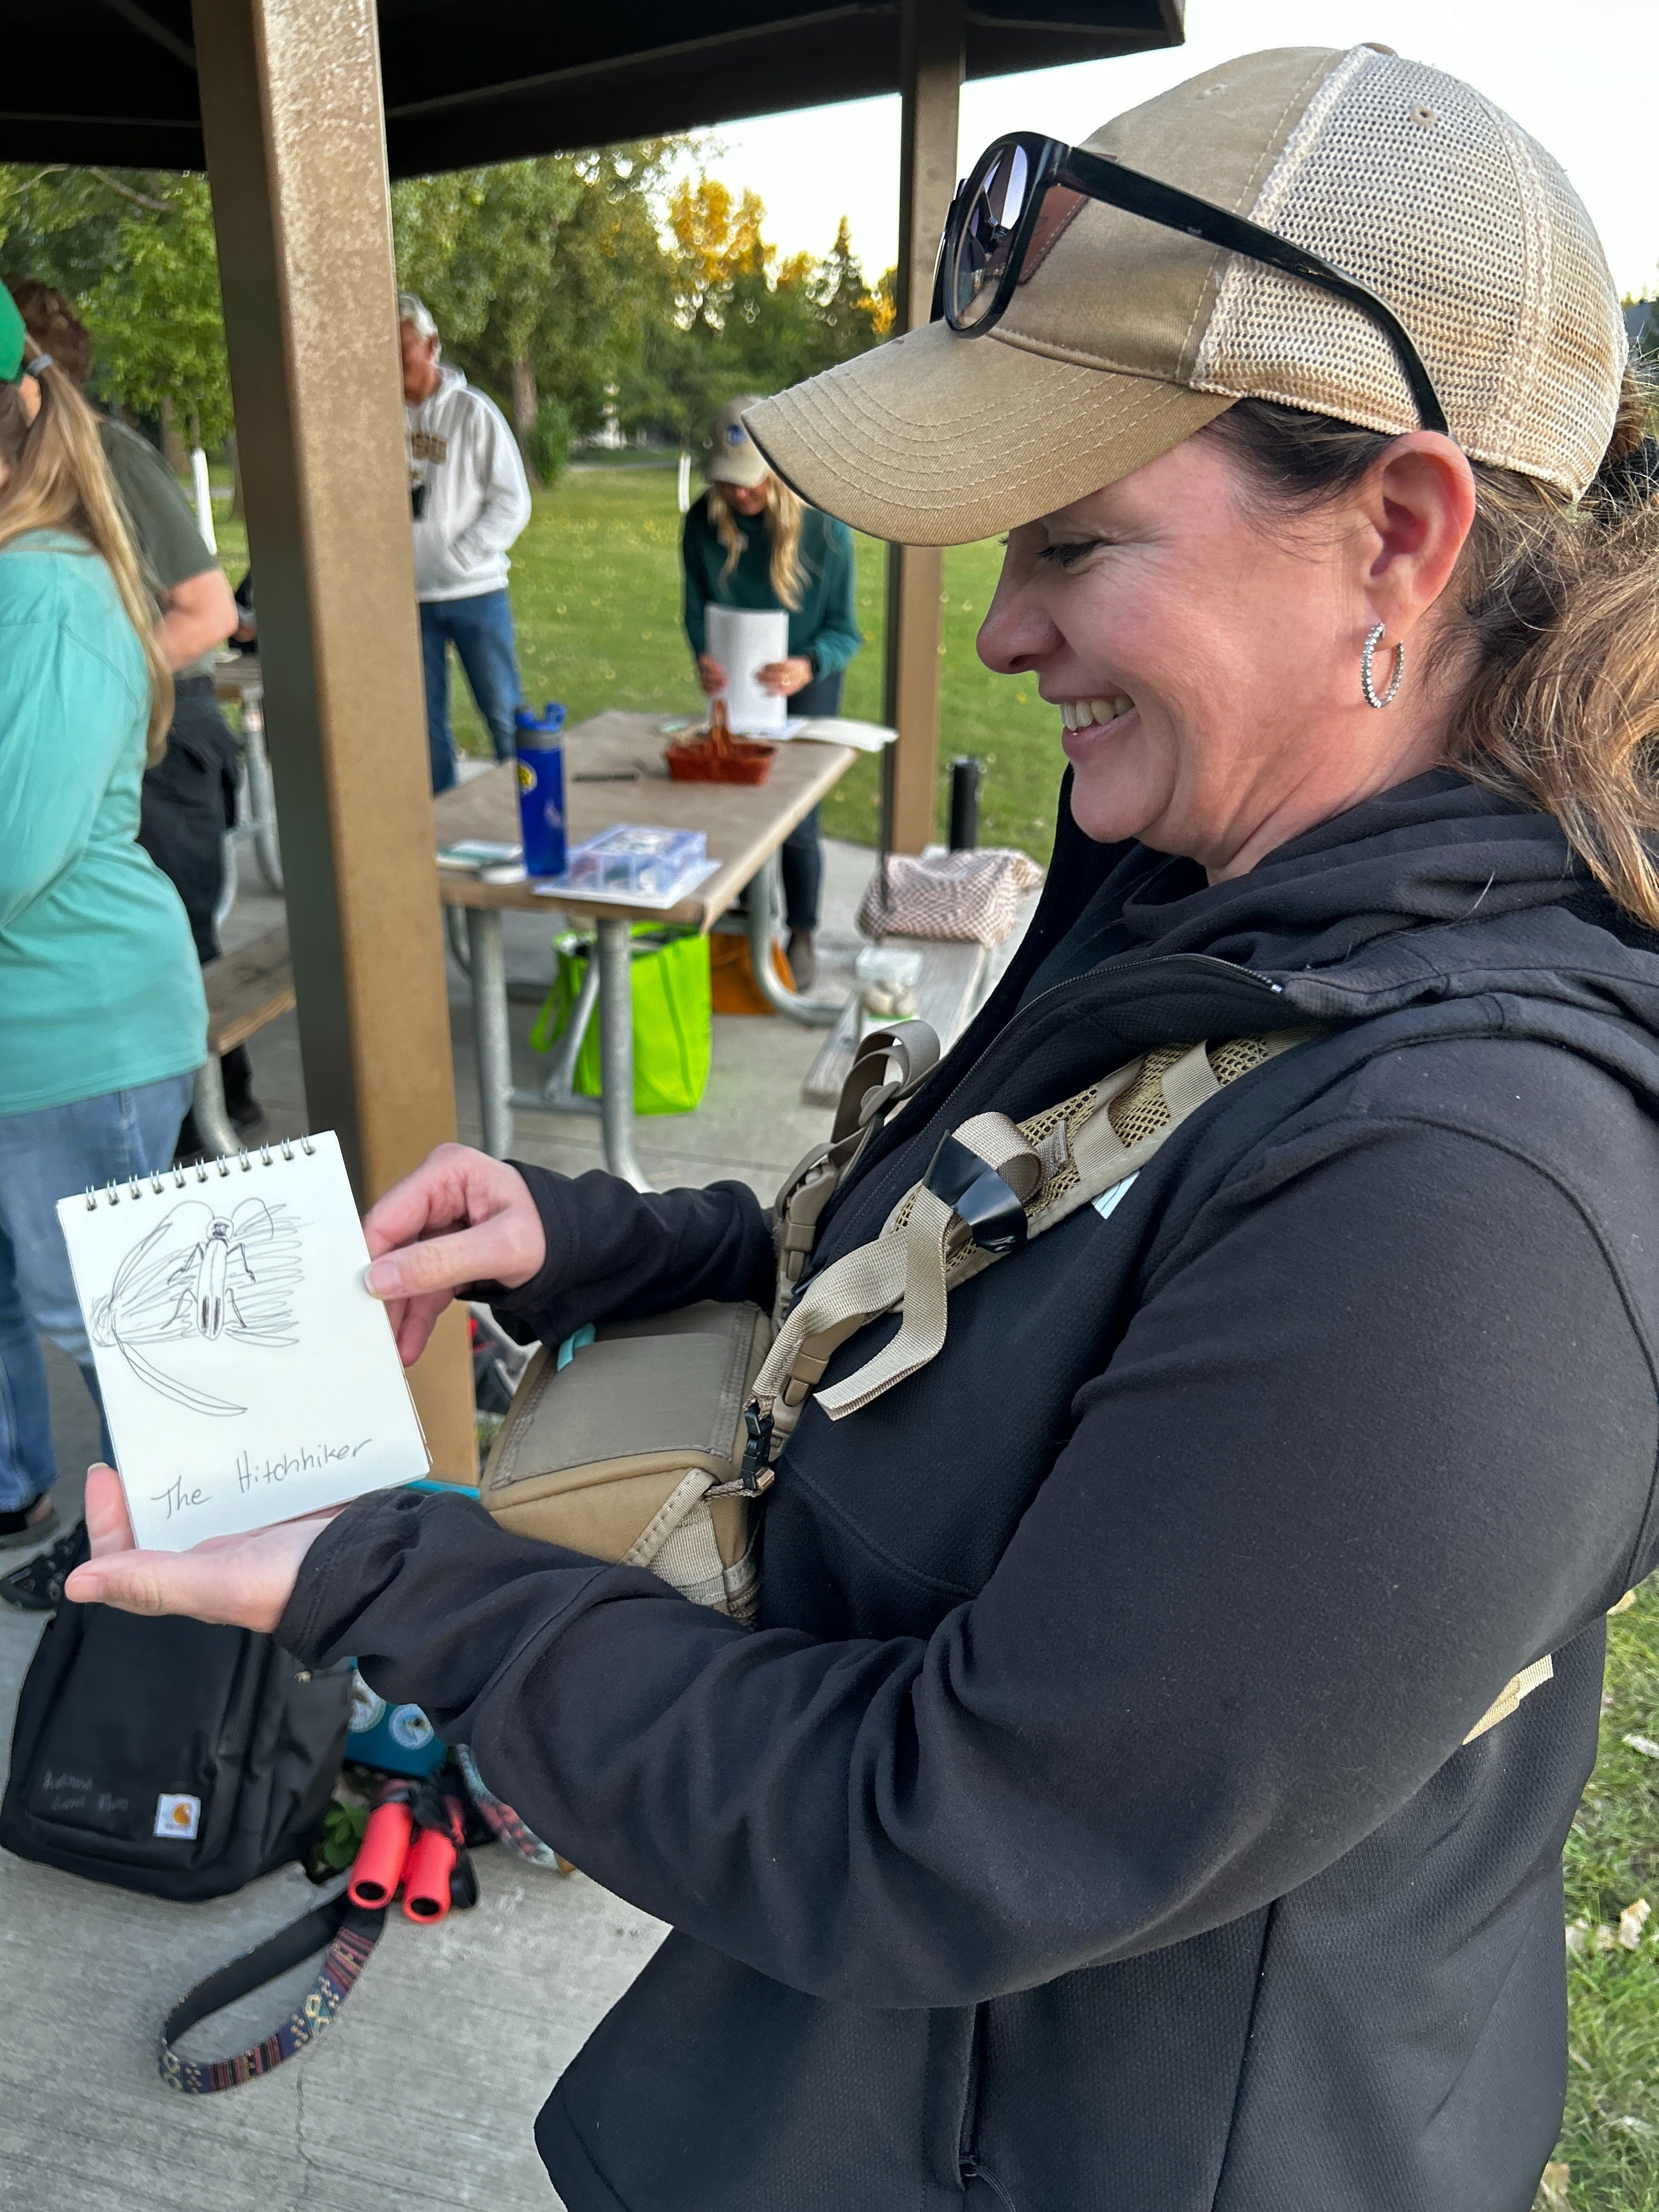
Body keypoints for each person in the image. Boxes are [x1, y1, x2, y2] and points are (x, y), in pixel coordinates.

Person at [67, 45, 1659, 2212]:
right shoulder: (1226, 883)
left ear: (1398, 529)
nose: (1003, 628)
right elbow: (1026, 1256)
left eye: (1079, 543)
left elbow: (942, 1831)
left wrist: (390, 1574)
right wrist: (617, 1242)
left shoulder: (1471, 1198)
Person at [0, 288, 205, 1554]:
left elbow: (12, 850)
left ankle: (194, 1614)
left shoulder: (46, 593)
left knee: (129, 1346)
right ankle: (20, 1485)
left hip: (78, 1032)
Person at [5, 281, 255, 1143]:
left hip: (166, 740)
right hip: (106, 737)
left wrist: (101, 686)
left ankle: (217, 1114)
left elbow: (210, 613)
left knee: (190, 921)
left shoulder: (110, 464)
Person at [682, 394, 861, 988]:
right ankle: (735, 927)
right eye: (729, 484)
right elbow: (694, 610)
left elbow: (846, 632)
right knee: (726, 799)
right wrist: (703, 657)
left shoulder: (826, 528)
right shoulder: (701, 524)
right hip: (735, 682)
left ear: (779, 470)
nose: (740, 495)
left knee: (796, 816)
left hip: (804, 678)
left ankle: (801, 932)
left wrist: (809, 665)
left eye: (751, 483)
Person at [399, 293, 533, 794]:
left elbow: (511, 501)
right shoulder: (374, 420)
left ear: (431, 346)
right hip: (409, 599)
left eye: (402, 352)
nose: (392, 366)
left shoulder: (473, 413)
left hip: (475, 593)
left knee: (502, 710)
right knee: (424, 726)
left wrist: (462, 554)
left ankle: (530, 810)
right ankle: (438, 829)